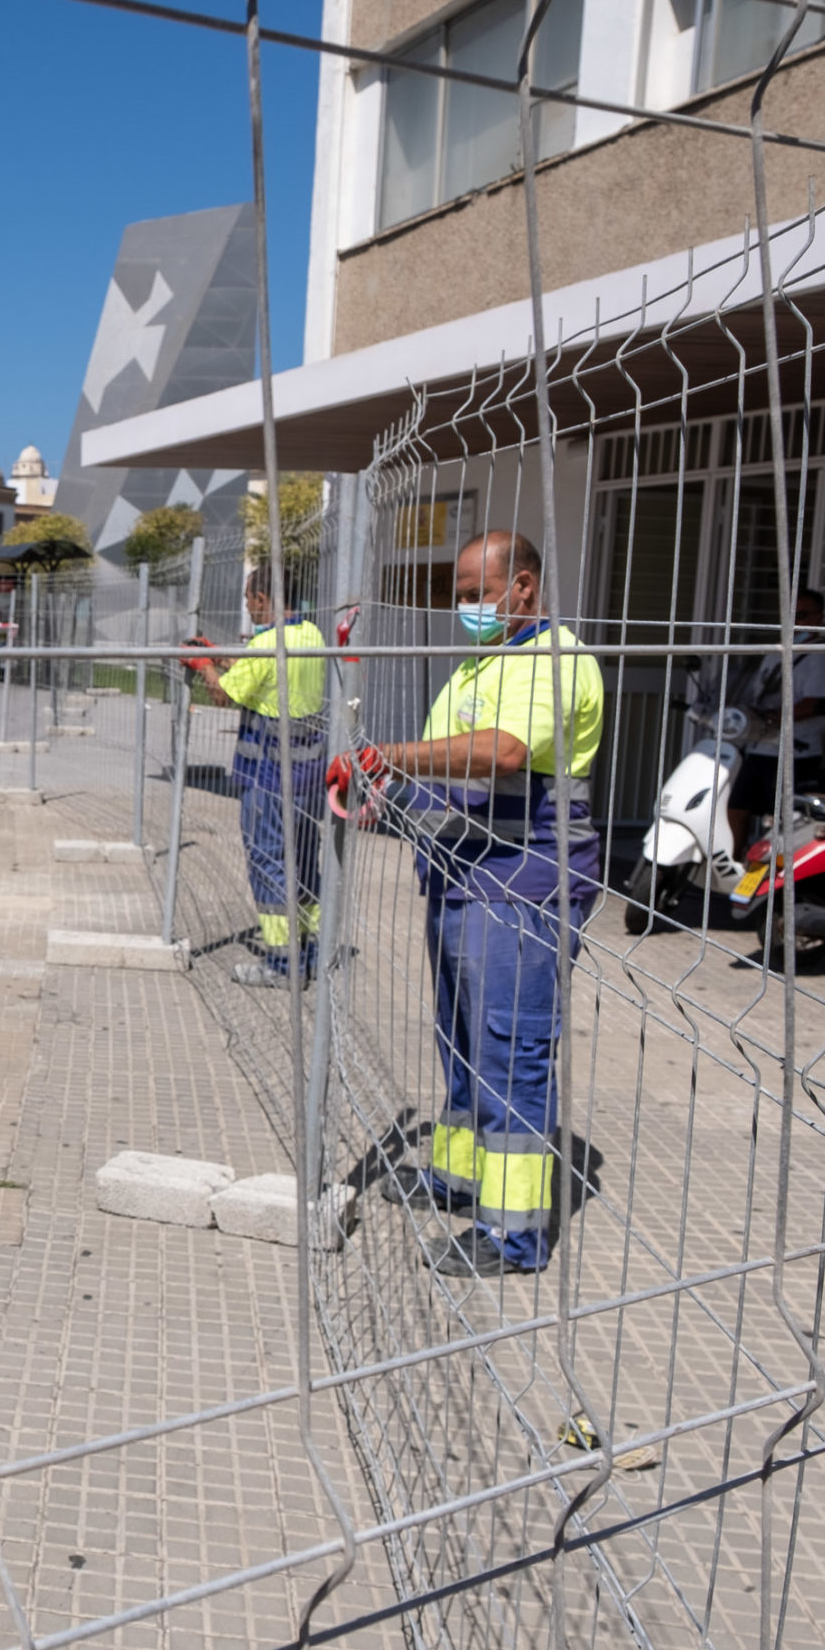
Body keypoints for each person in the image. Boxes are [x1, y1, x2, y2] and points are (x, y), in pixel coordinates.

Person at [328, 531, 604, 1278]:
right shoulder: (488, 662)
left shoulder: (553, 659)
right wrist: (383, 791)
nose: (466, 608)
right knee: (463, 1041)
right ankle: (458, 1177)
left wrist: (387, 755)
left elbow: (502, 753)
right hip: (464, 875)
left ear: (522, 586)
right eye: (460, 593)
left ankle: (512, 1235)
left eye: (478, 592)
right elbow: (453, 772)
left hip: (524, 882)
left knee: (511, 1049)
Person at [211, 577, 328, 987]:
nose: (247, 606)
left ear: (263, 597)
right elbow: (261, 676)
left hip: (267, 777)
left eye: (248, 598)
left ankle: (283, 965)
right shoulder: (312, 634)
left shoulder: (264, 644)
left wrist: (202, 666)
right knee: (304, 864)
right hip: (309, 776)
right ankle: (311, 951)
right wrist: (223, 658)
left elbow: (225, 695)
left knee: (269, 861)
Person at [728, 586, 825, 854]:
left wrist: (775, 717)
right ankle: (737, 863)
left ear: (819, 618)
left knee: (783, 817)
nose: (794, 621)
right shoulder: (775, 652)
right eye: (789, 614)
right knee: (737, 807)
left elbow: (816, 702)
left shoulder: (822, 655)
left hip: (794, 751)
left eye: (801, 614)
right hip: (759, 746)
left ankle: (775, 873)